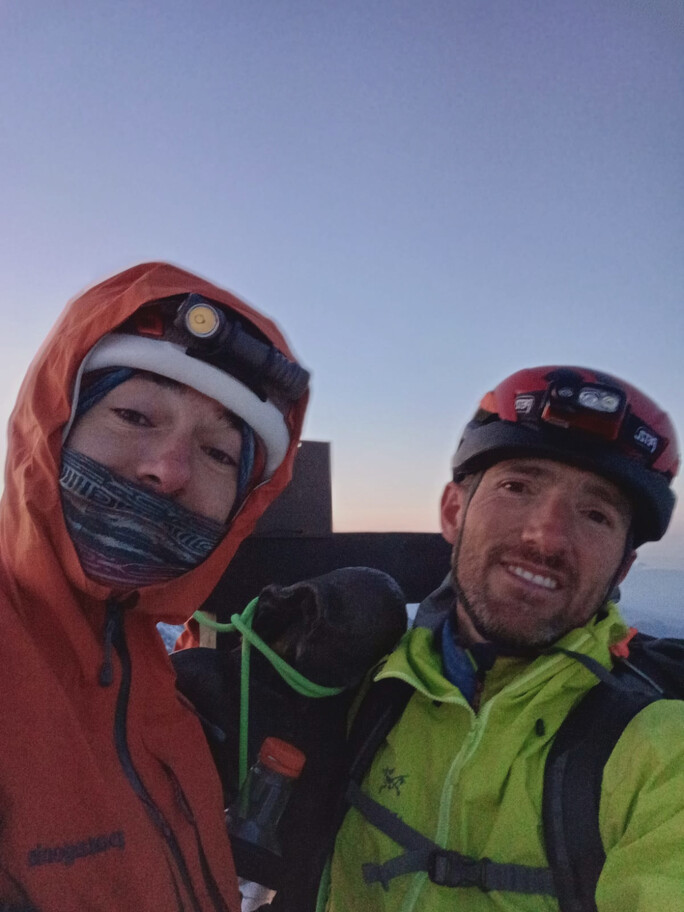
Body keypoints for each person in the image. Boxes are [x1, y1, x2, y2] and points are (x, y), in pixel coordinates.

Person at [0, 262, 308, 911]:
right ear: (55, 424)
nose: (169, 471)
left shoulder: (163, 687)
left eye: (219, 453)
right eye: (136, 415)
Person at [323, 366, 684, 911]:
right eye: (518, 487)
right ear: (454, 512)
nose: (547, 537)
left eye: (595, 514)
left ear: (622, 568)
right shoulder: (361, 687)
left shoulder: (658, 752)